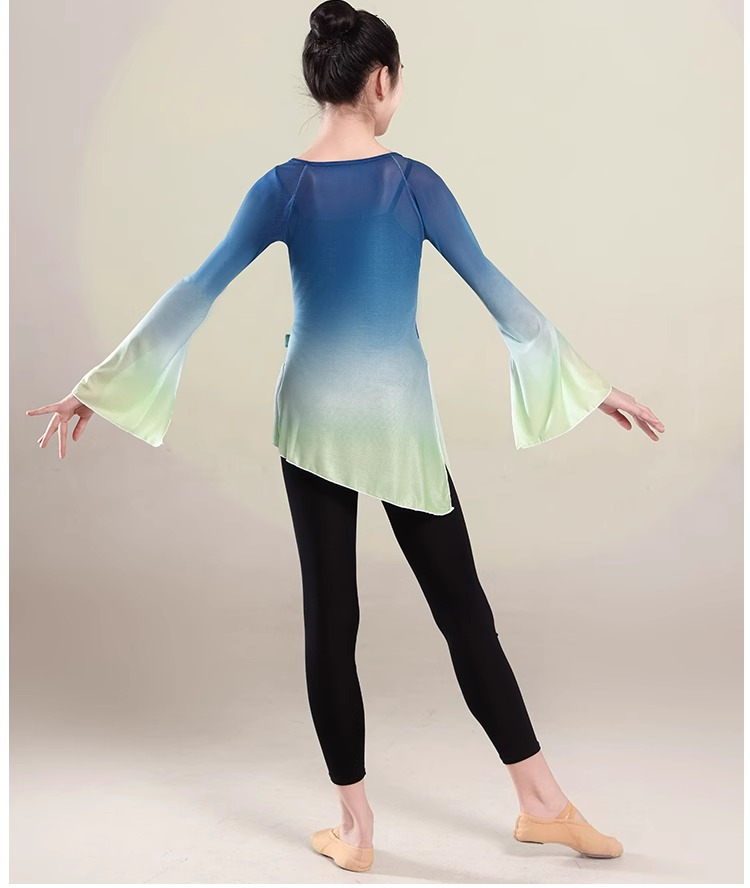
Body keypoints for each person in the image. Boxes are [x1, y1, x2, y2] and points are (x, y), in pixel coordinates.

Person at [27, 0, 664, 875]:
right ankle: (543, 804)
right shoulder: (413, 182)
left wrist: (97, 387)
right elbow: (497, 291)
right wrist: (590, 387)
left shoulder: (281, 187)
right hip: (397, 417)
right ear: (382, 81)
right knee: (463, 610)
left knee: (331, 617)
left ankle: (357, 832)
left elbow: (195, 290)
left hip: (311, 416)